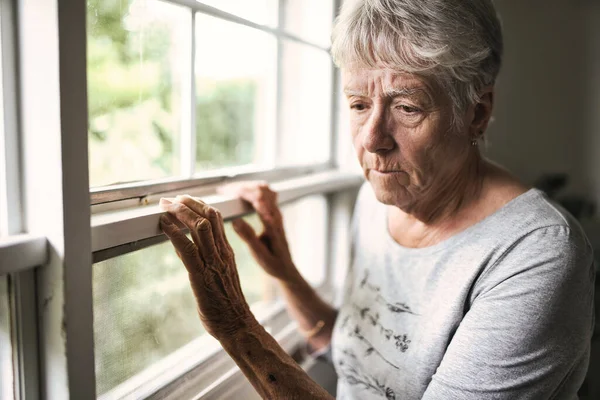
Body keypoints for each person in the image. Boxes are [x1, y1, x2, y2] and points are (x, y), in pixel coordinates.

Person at [158, 0, 596, 398]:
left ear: (475, 113)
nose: (372, 140)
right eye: (358, 104)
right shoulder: (382, 198)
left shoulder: (536, 253)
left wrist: (236, 327)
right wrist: (285, 273)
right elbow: (358, 353)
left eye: (407, 107)